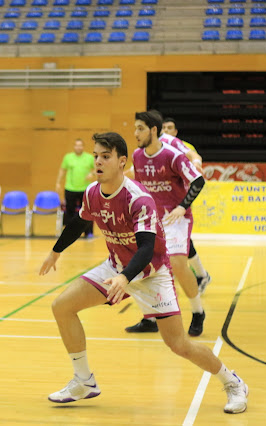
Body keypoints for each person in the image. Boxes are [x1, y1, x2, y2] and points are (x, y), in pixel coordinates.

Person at [39, 132, 248, 415]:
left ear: (121, 161)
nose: (98, 162)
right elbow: (78, 223)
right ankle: (84, 381)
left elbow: (147, 248)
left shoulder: (139, 199)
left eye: (105, 156)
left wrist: (126, 277)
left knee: (178, 344)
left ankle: (233, 382)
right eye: (96, 156)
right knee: (62, 306)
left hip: (151, 275)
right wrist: (55, 251)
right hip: (116, 267)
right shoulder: (92, 192)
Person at [125, 111, 207, 335]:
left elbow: (198, 181)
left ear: (153, 130)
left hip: (176, 218)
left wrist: (182, 206)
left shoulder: (172, 154)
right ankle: (150, 318)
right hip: (152, 220)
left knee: (178, 264)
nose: (135, 133)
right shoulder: (137, 156)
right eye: (135, 128)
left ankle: (198, 312)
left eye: (140, 128)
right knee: (142, 267)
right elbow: (140, 187)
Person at [162, 116, 211, 295]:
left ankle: (198, 276)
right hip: (163, 201)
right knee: (180, 242)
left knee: (182, 241)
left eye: (170, 128)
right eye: (164, 128)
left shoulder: (184, 147)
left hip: (181, 199)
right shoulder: (157, 148)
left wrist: (197, 164)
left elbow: (195, 159)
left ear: (175, 132)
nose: (167, 131)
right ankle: (200, 274)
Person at [55, 138, 96, 238]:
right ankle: (70, 232)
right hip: (70, 188)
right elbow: (62, 170)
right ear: (74, 147)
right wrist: (58, 182)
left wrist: (92, 174)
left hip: (85, 189)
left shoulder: (89, 157)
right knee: (69, 211)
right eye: (76, 145)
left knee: (87, 211)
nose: (78, 147)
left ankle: (88, 232)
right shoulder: (68, 157)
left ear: (83, 147)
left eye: (80, 145)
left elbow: (97, 169)